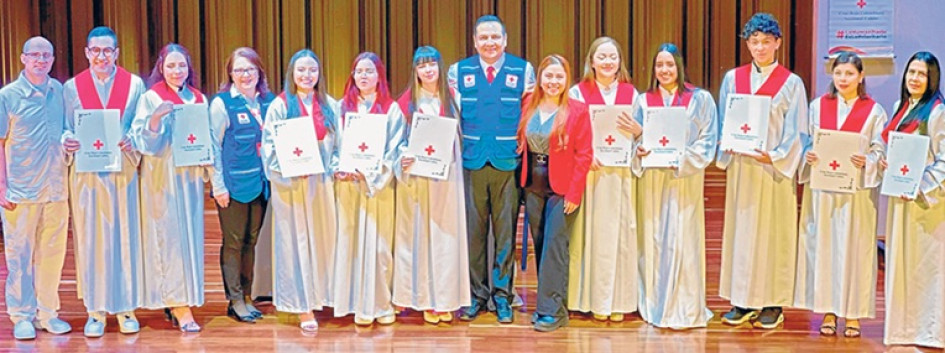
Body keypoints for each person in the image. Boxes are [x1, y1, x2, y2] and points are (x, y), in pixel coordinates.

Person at [715, 12, 808, 329]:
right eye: (754, 42)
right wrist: (726, 143)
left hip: (772, 171)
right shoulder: (733, 79)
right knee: (741, 233)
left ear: (777, 43)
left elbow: (798, 130)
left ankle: (772, 302)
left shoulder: (791, 83)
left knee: (773, 235)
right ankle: (742, 300)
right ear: (747, 44)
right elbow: (725, 119)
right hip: (743, 169)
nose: (760, 47)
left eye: (766, 41)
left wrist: (777, 156)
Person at [447, 14, 536, 323]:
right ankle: (476, 295)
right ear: (474, 42)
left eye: (495, 37)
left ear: (505, 40)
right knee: (474, 235)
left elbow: (529, 116)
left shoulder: (523, 71)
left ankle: (502, 296)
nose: (489, 43)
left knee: (505, 234)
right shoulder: (458, 72)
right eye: (483, 37)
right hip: (472, 161)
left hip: (506, 162)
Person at [61, 26, 147, 337]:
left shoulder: (134, 85)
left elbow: (139, 125)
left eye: (107, 50)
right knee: (90, 240)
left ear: (117, 53)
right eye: (95, 50)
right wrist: (67, 140)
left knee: (125, 238)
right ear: (87, 53)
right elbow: (64, 127)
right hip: (87, 176)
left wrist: (133, 139)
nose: (101, 56)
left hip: (122, 172)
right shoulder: (71, 88)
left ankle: (126, 308)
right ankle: (95, 311)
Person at [793, 51, 886, 339]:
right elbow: (806, 142)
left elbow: (880, 150)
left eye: (849, 73)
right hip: (824, 192)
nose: (843, 79)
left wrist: (868, 160)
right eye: (838, 73)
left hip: (856, 194)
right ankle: (828, 311)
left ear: (861, 76)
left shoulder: (874, 111)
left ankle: (853, 313)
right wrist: (808, 155)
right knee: (825, 248)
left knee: (855, 250)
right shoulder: (818, 106)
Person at [634, 43, 717, 329]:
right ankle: (655, 303)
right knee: (654, 238)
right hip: (652, 181)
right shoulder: (643, 102)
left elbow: (708, 140)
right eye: (659, 65)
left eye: (670, 64)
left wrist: (681, 159)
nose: (664, 70)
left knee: (683, 240)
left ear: (679, 66)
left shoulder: (700, 99)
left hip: (684, 180)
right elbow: (634, 141)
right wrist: (639, 150)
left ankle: (685, 306)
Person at [131, 43, 208, 333]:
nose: (177, 71)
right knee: (170, 240)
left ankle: (185, 297)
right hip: (162, 177)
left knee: (189, 240)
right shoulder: (151, 97)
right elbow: (143, 143)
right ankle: (179, 305)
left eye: (182, 65)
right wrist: (155, 119)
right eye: (171, 66)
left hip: (189, 180)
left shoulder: (197, 98)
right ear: (161, 68)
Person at [261, 49, 339, 332]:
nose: (307, 75)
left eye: (312, 70)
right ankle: (302, 306)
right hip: (292, 187)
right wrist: (289, 167)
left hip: (321, 185)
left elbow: (339, 147)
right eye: (301, 70)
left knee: (322, 241)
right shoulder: (280, 106)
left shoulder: (330, 105)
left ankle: (322, 297)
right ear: (291, 73)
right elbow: (269, 148)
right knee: (296, 244)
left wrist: (336, 167)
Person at [0, 36, 72, 340]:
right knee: (19, 257)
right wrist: (1, 186)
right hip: (21, 191)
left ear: (53, 60)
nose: (41, 60)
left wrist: (69, 139)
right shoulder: (8, 96)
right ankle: (22, 316)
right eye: (35, 55)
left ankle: (47, 313)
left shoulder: (60, 92)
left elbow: (67, 128)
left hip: (56, 189)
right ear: (23, 58)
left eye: (46, 56)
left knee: (52, 254)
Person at [392, 46, 470, 325]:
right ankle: (422, 298)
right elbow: (396, 143)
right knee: (418, 238)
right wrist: (403, 157)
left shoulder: (454, 99)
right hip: (417, 182)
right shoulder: (404, 104)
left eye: (432, 64)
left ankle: (444, 299)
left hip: (446, 179)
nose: (427, 70)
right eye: (421, 65)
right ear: (415, 70)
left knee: (445, 238)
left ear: (440, 67)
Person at [566, 36, 641, 322]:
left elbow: (641, 139)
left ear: (620, 61)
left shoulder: (632, 95)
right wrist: (583, 155)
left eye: (613, 57)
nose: (608, 62)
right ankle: (586, 298)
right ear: (592, 61)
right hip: (590, 176)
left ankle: (617, 300)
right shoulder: (577, 92)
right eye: (602, 57)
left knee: (618, 237)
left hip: (620, 177)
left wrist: (639, 132)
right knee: (588, 236)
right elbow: (567, 134)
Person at [518, 54, 593, 332]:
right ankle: (551, 306)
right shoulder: (529, 103)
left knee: (554, 246)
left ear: (567, 79)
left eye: (559, 76)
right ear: (540, 78)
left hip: (562, 187)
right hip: (533, 184)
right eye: (548, 76)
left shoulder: (578, 110)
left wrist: (574, 193)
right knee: (540, 245)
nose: (553, 81)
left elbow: (584, 155)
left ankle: (551, 311)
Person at [332, 52, 406, 326]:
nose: (364, 76)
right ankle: (353, 304)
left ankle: (380, 304)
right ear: (352, 76)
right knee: (349, 245)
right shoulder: (341, 108)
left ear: (379, 76)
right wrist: (339, 168)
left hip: (378, 189)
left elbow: (394, 150)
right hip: (348, 187)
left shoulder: (391, 109)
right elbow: (333, 147)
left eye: (369, 71)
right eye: (359, 71)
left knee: (379, 248)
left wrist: (371, 174)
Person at [880, 51, 945, 349]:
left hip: (927, 203)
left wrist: (922, 186)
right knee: (902, 263)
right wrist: (888, 164)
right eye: (911, 72)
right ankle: (903, 329)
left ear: (932, 79)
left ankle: (930, 331)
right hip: (901, 198)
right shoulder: (900, 107)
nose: (915, 78)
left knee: (926, 266)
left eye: (922, 74)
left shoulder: (937, 112)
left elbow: (943, 159)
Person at [209, 47, 275, 324]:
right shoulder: (222, 104)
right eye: (239, 70)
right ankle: (235, 299)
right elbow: (213, 147)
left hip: (261, 184)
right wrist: (218, 186)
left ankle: (247, 296)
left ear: (259, 71)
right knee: (234, 242)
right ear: (230, 74)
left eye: (250, 69)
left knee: (251, 241)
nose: (245, 75)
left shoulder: (269, 102)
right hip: (233, 186)